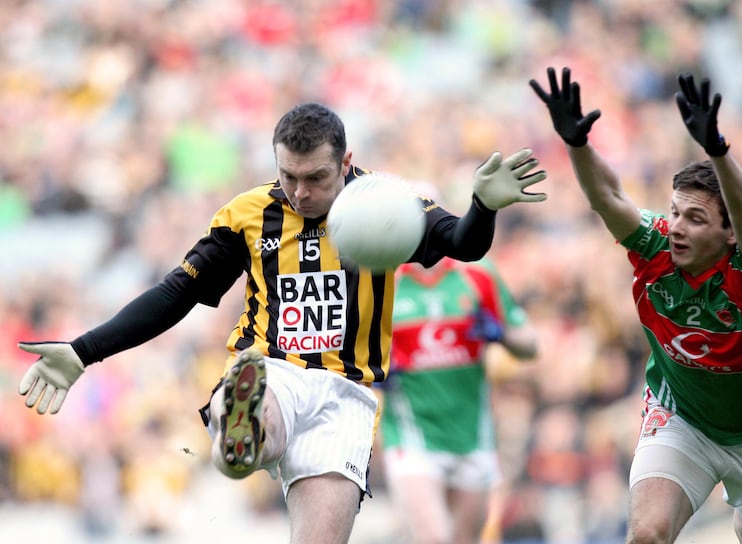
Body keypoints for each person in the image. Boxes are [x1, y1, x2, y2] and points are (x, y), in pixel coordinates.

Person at [16, 102, 548, 544]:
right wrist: (85, 351)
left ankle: (241, 437)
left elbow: (461, 242)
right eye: (287, 176)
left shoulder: (386, 206)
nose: (300, 193)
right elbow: (176, 293)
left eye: (315, 177)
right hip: (274, 367)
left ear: (346, 162)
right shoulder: (248, 214)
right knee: (256, 414)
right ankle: (242, 429)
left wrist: (484, 206)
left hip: (347, 393)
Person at [529, 66, 742, 543]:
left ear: (728, 231)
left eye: (695, 219)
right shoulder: (654, 248)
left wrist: (718, 151)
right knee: (647, 534)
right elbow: (610, 196)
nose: (676, 227)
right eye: (675, 211)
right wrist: (577, 144)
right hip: (682, 419)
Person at [379, 253, 538, 544]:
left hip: (472, 437)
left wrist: (501, 334)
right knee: (435, 537)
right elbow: (352, 352)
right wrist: (377, 372)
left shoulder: (478, 274)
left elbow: (530, 345)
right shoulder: (385, 279)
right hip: (411, 435)